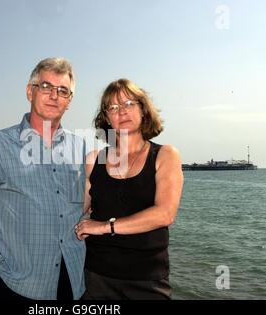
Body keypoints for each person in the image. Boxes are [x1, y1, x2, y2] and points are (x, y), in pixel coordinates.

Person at [0, 57, 86, 300]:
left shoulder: (80, 148)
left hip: (73, 283)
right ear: (30, 91)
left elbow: (86, 206)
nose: (54, 96)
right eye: (46, 87)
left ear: (69, 101)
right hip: (16, 285)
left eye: (63, 91)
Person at [75, 78, 184, 300]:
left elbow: (165, 214)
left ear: (143, 110)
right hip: (96, 278)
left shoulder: (165, 155)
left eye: (128, 104)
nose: (121, 112)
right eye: (113, 107)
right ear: (106, 118)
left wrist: (104, 227)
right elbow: (75, 209)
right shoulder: (94, 159)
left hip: (148, 280)